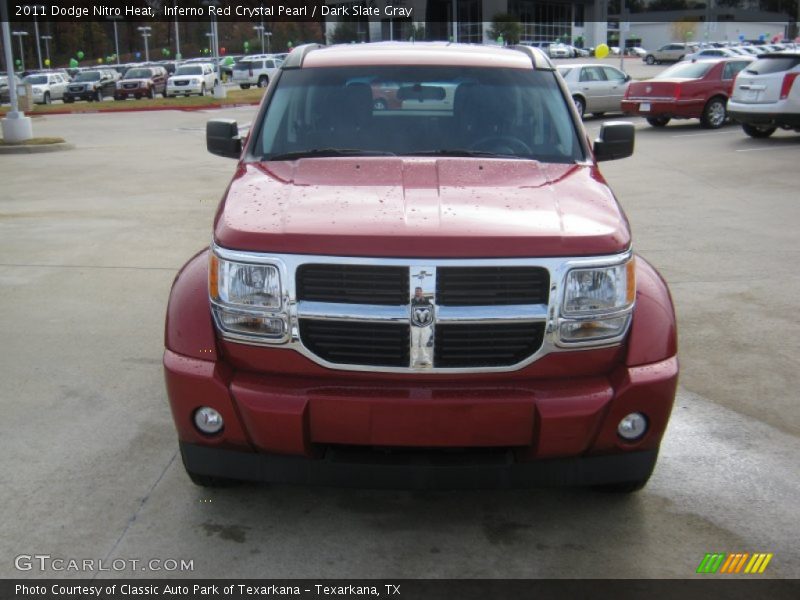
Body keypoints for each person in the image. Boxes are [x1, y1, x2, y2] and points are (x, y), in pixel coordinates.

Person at [411, 287, 433, 367]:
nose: (418, 292)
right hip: (414, 324)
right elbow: (411, 309)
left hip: (425, 325)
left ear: (422, 292)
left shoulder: (426, 300)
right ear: (415, 292)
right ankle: (414, 359)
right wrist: (417, 300)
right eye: (417, 291)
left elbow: (431, 308)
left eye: (419, 291)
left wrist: (425, 300)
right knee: (415, 342)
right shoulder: (412, 301)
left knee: (424, 342)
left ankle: (426, 359)